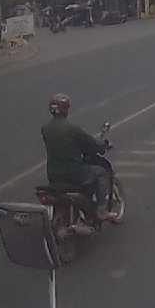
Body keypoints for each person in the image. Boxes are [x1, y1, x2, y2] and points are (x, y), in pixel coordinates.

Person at [41, 93, 115, 221]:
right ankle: (101, 210)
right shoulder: (72, 129)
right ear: (66, 109)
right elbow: (91, 143)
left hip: (53, 174)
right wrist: (103, 146)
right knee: (101, 173)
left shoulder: (46, 129)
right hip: (74, 173)